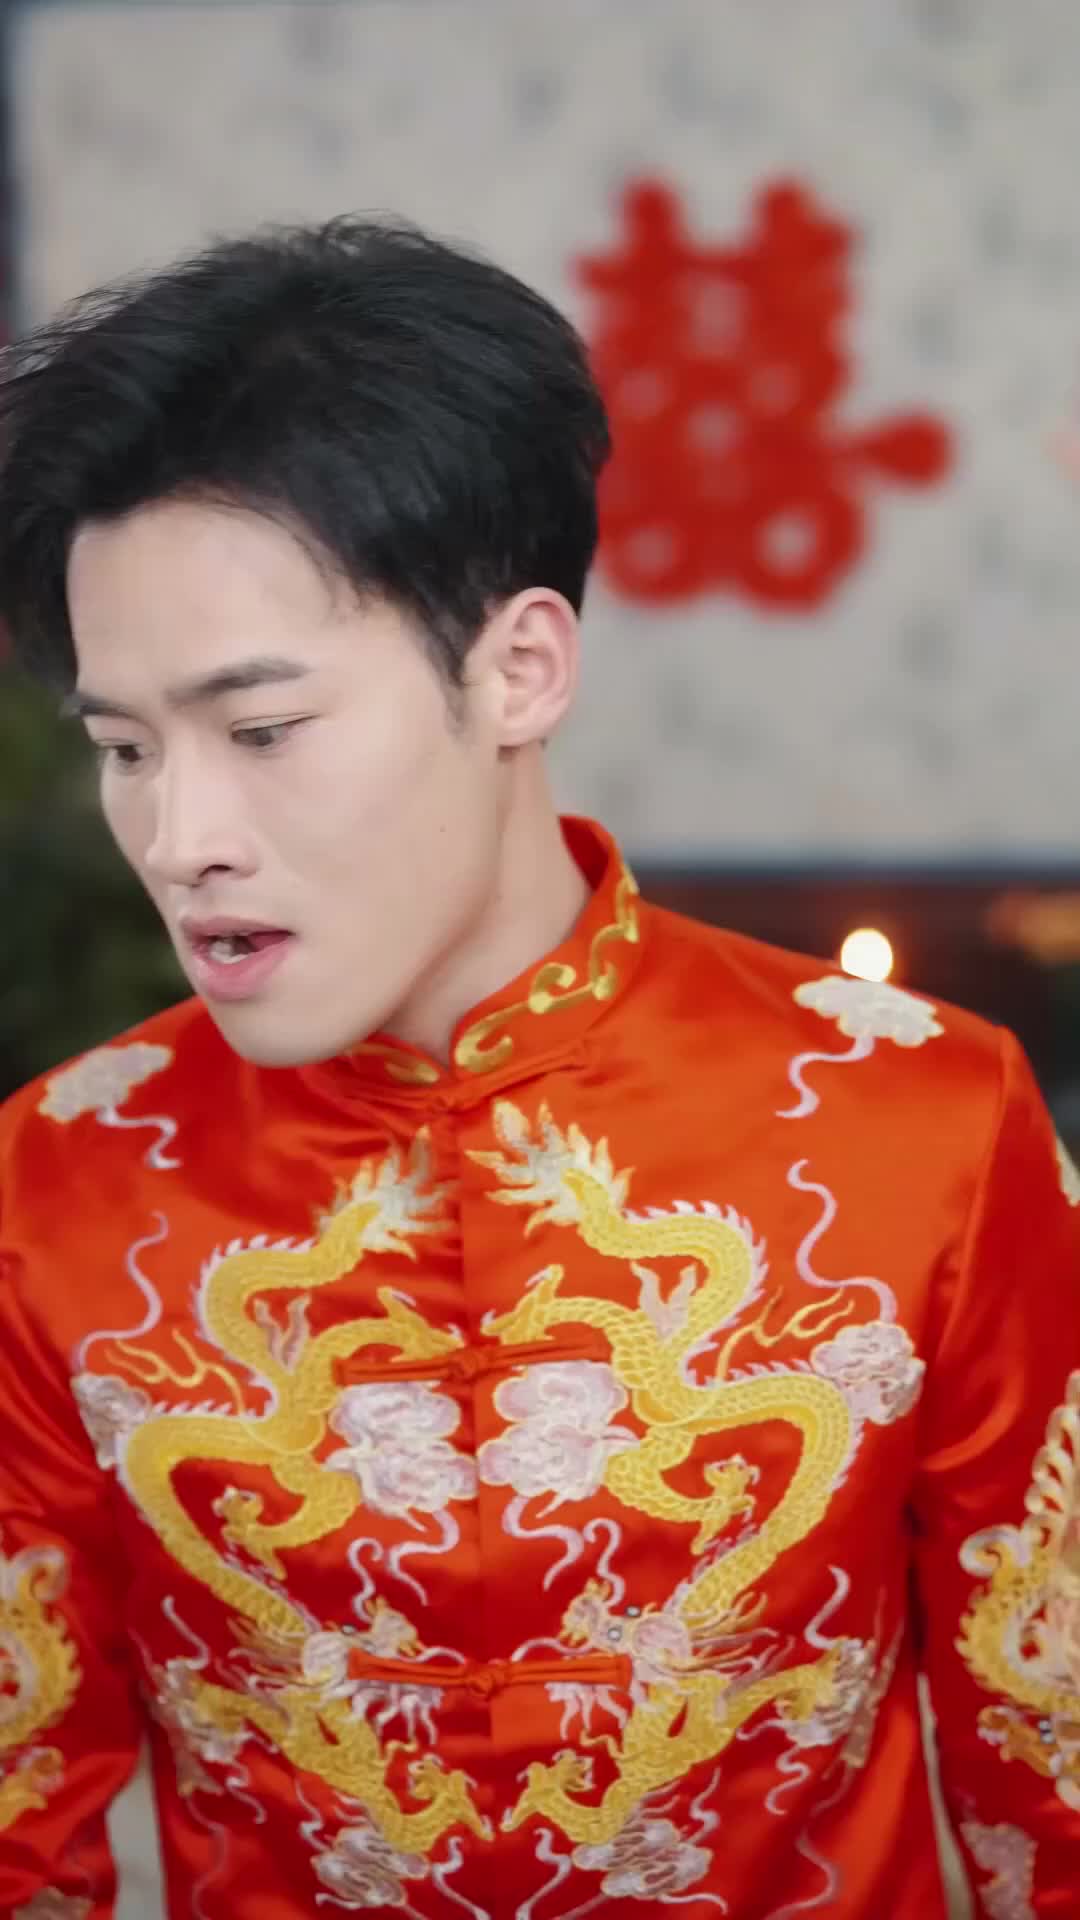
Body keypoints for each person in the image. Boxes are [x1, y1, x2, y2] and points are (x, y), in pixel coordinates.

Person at [0, 217, 1076, 1920]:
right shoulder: (57, 1182)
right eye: (127, 749)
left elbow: (1053, 1774)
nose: (181, 835)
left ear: (518, 670)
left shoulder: (922, 1121)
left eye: (261, 731)